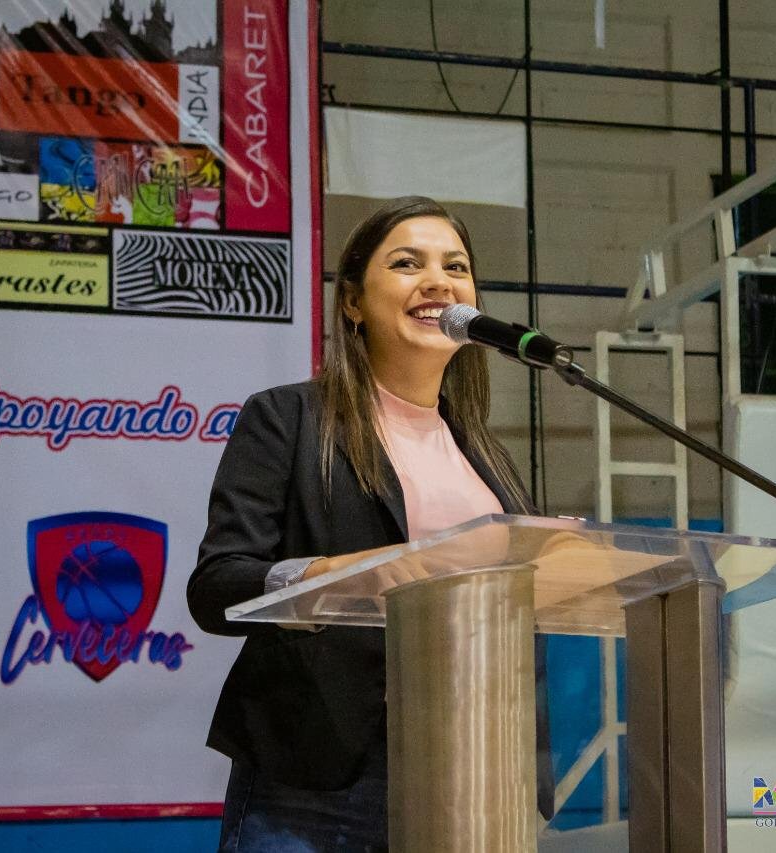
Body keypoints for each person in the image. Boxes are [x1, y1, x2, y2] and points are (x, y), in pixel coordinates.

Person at [188, 196, 551, 851]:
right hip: (320, 782)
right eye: (408, 263)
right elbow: (217, 587)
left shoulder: (485, 455)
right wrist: (336, 575)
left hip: (473, 767)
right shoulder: (289, 419)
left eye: (456, 267)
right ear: (353, 301)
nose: (439, 281)